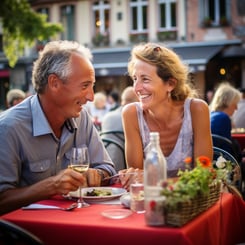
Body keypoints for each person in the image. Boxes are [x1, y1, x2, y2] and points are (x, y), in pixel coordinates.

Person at [0, 40, 116, 215]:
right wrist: (51, 186)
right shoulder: (9, 127)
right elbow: (2, 200)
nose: (91, 97)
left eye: (92, 87)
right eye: (85, 86)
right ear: (54, 83)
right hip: (27, 233)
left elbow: (108, 168)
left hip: (73, 222)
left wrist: (97, 174)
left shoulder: (81, 117)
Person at [121, 42, 213, 178]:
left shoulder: (196, 110)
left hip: (191, 198)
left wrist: (160, 184)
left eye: (145, 79)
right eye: (135, 79)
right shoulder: (131, 114)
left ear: (170, 84)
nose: (137, 88)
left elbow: (203, 174)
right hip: (151, 198)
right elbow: (135, 177)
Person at [101, 86, 139, 171]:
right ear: (138, 100)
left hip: (105, 166)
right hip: (124, 169)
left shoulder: (108, 116)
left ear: (122, 100)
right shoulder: (134, 117)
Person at [209, 82, 242, 161]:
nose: (236, 108)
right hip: (218, 163)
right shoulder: (223, 118)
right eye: (235, 104)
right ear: (228, 102)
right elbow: (226, 151)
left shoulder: (211, 114)